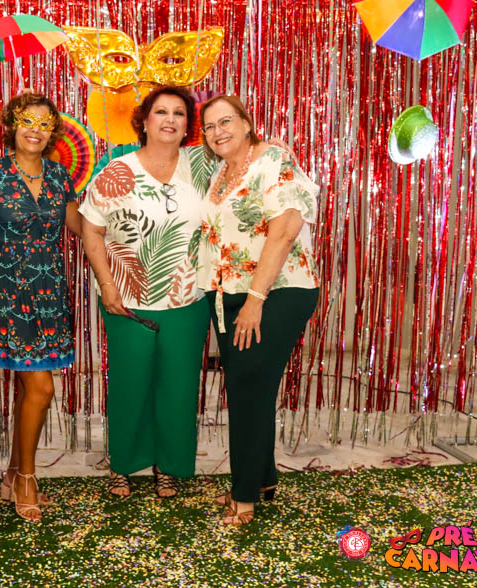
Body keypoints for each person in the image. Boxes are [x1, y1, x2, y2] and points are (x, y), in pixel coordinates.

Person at [80, 86, 212, 498]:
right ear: (145, 121)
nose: (170, 120)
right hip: (126, 300)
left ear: (188, 125)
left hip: (188, 300)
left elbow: (246, 160)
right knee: (129, 385)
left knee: (178, 387)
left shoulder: (202, 166)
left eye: (179, 113)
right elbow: (91, 230)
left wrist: (274, 148)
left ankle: (168, 466)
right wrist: (106, 284)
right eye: (161, 112)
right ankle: (122, 464)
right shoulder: (117, 171)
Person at [196, 95, 319, 525]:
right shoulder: (220, 172)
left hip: (276, 291)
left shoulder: (274, 160)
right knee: (251, 387)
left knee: (248, 389)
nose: (218, 132)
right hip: (228, 295)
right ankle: (263, 478)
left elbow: (285, 230)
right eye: (210, 126)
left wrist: (255, 299)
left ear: (247, 123)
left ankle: (244, 497)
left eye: (226, 121)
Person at [0, 92, 81, 521]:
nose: (35, 130)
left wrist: (112, 206)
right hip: (7, 295)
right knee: (41, 389)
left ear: (53, 132)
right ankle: (25, 478)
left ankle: (11, 476)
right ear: (10, 125)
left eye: (44, 123)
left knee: (29, 391)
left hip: (49, 293)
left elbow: (77, 226)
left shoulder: (59, 176)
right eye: (27, 121)